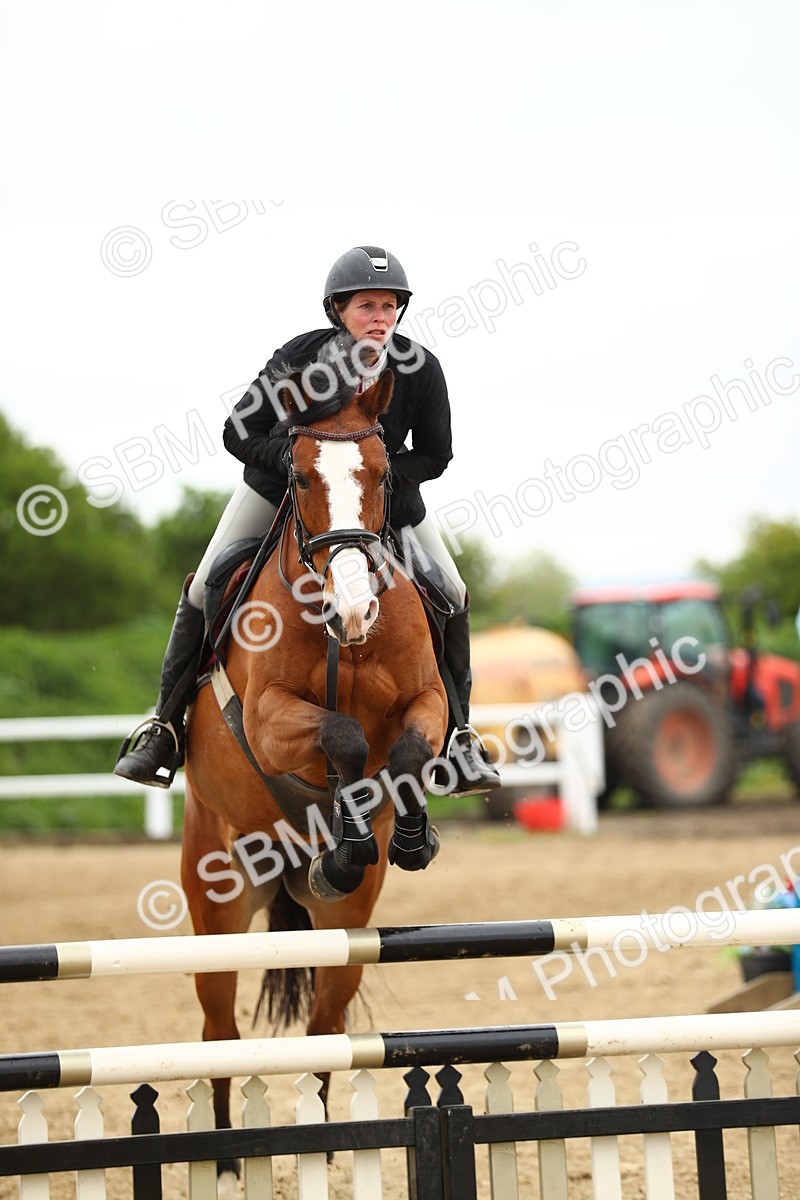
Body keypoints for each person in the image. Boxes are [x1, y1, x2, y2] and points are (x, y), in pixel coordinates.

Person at [114, 245, 501, 797]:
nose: (380, 318)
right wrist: (298, 465)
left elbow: (436, 455)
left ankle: (460, 736)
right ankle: (165, 727)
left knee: (454, 591)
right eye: (367, 306)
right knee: (205, 586)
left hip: (380, 505)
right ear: (339, 310)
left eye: (390, 307)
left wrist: (374, 478)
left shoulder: (420, 368)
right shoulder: (298, 361)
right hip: (282, 493)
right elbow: (237, 432)